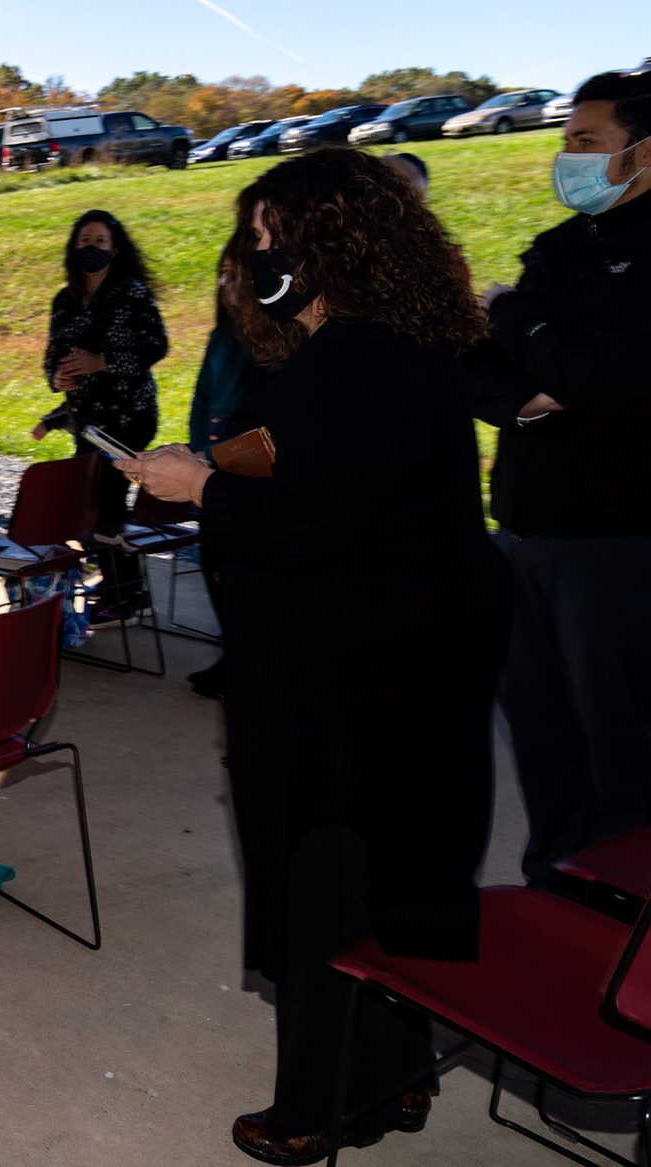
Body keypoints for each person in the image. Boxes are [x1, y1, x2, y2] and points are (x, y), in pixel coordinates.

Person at [117, 148, 508, 1164]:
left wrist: (198, 488)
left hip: (347, 692)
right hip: (414, 673)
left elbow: (305, 525)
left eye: (264, 241)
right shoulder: (406, 347)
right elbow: (355, 482)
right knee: (404, 880)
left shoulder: (354, 363)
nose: (250, 262)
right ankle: (397, 1078)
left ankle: (316, 1108)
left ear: (324, 241)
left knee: (329, 893)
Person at [466, 68, 651, 886]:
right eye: (566, 138)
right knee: (541, 733)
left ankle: (625, 924)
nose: (565, 154)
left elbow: (597, 375)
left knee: (621, 744)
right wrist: (540, 400)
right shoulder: (557, 251)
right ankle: (558, 889)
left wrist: (510, 311)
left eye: (586, 140)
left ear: (643, 153)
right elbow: (477, 373)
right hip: (526, 535)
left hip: (616, 548)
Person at [42, 209, 168, 629]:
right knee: (90, 507)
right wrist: (57, 378)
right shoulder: (65, 299)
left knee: (108, 504)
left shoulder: (130, 292)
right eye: (84, 241)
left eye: (99, 242)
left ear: (115, 249)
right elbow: (51, 360)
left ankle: (127, 596)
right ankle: (118, 585)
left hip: (129, 416)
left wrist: (103, 362)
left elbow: (156, 346)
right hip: (89, 423)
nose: (91, 249)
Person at [183, 257, 262, 701]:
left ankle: (245, 660)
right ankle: (234, 653)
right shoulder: (219, 336)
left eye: (238, 273)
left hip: (244, 460)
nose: (228, 282)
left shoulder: (265, 340)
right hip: (211, 460)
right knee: (213, 563)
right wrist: (200, 454)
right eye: (224, 274)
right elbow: (200, 400)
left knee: (237, 569)